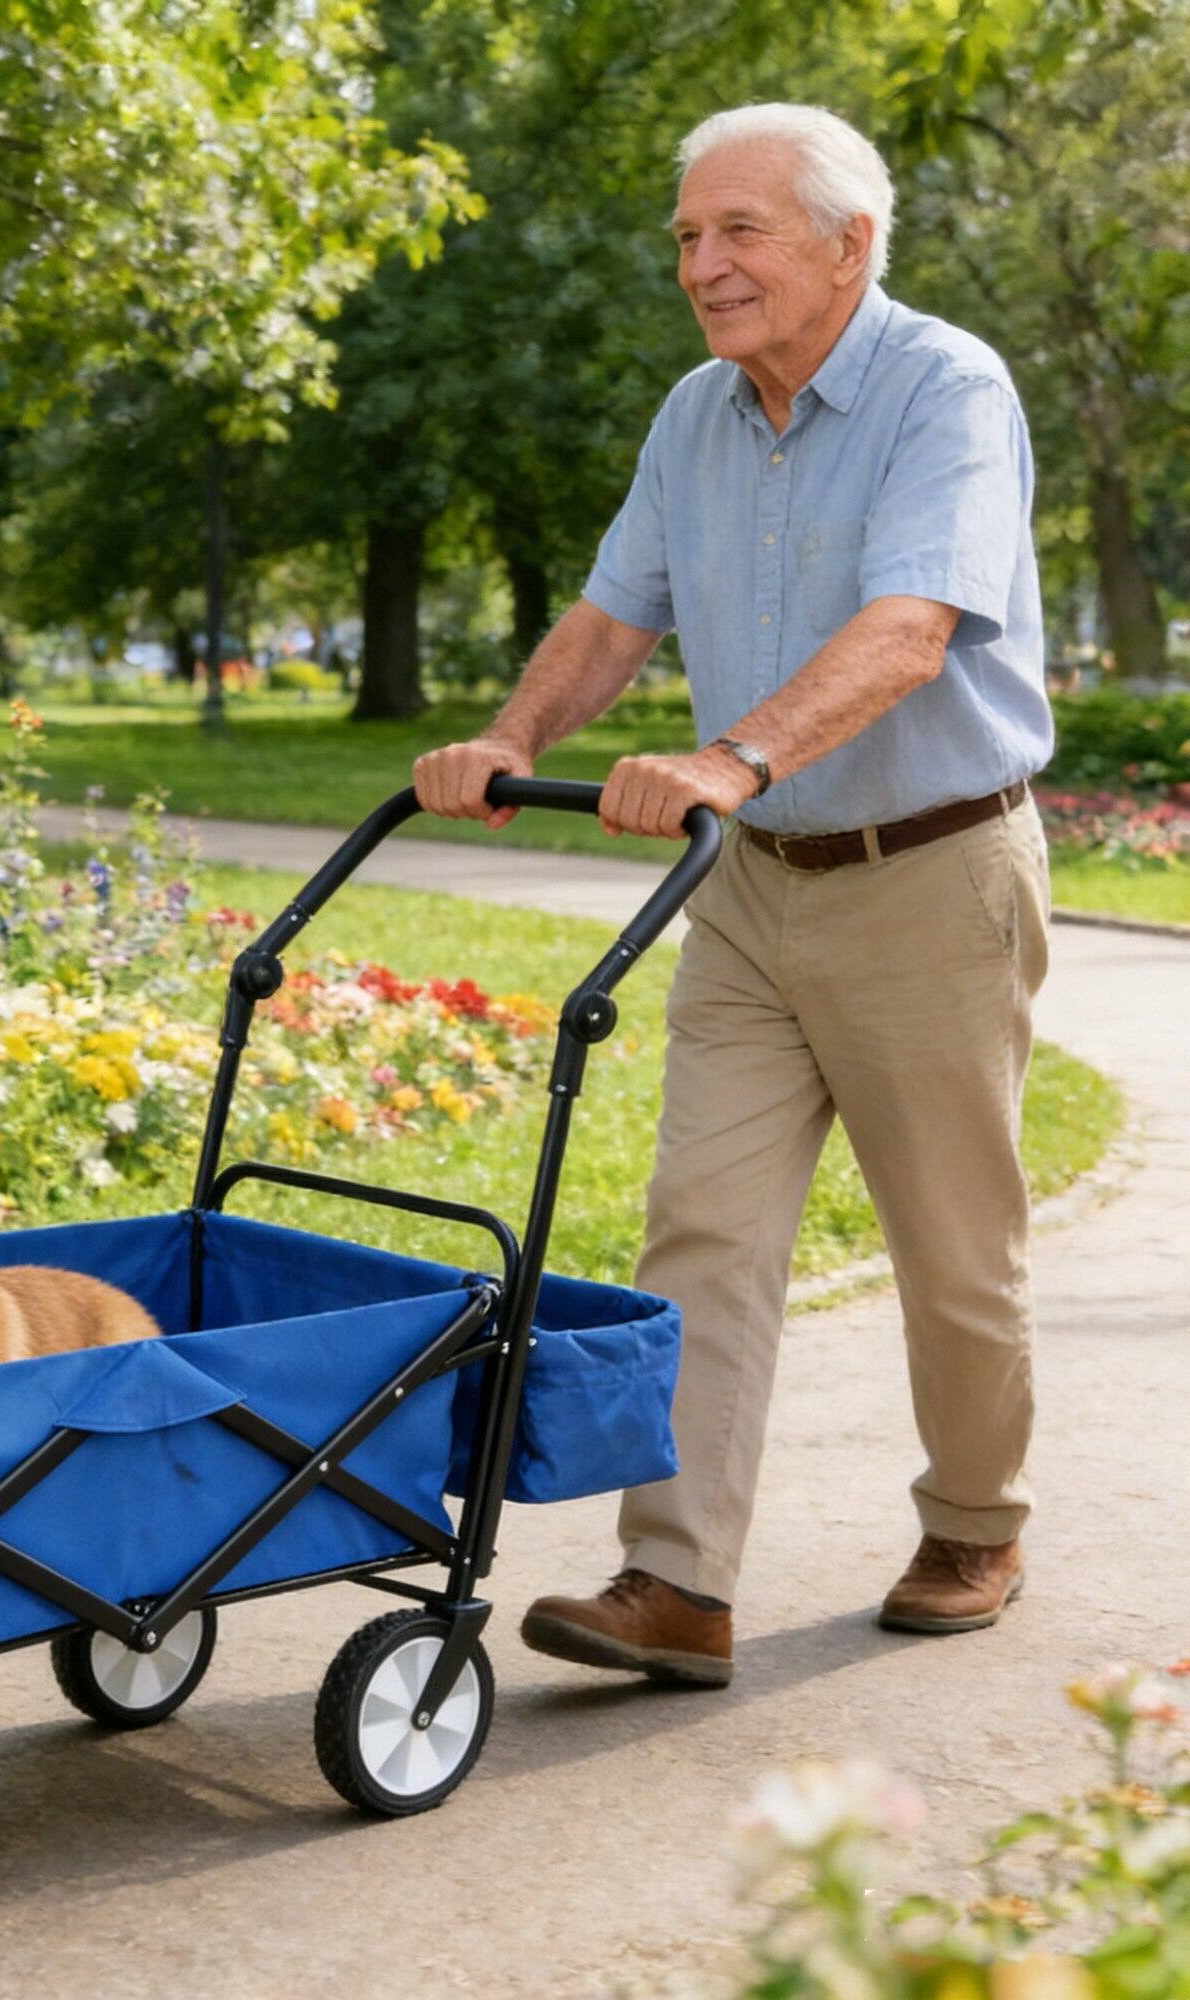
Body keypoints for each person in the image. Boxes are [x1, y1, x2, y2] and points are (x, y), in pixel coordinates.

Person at [414, 103, 1052, 1688]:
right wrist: (511, 736)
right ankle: (675, 1579)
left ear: (852, 242)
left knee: (952, 1246)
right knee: (700, 1225)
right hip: (755, 893)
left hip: (931, 874)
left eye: (740, 231)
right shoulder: (695, 414)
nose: (703, 265)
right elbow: (613, 614)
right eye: (690, 238)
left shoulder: (945, 387)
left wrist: (733, 756)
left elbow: (915, 629)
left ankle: (976, 1520)